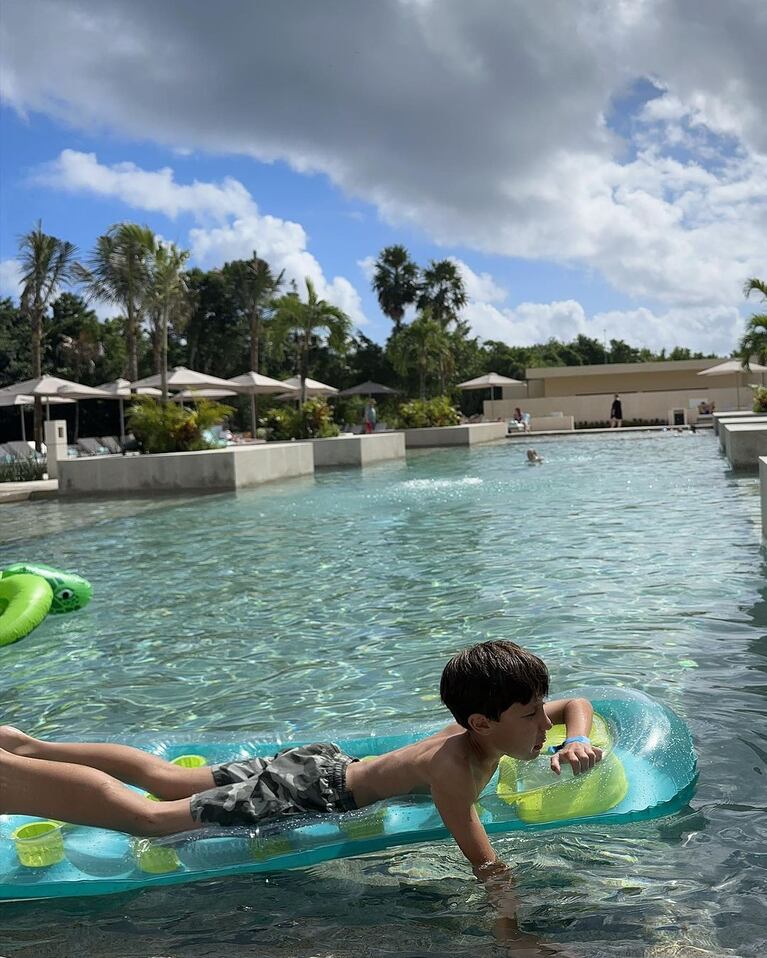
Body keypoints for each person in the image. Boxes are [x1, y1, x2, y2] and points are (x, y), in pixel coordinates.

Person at [0, 642, 601, 879]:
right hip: (309, 792)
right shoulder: (454, 767)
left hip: (321, 763)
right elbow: (483, 860)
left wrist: (574, 739)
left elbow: (579, 701)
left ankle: (28, 744)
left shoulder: (491, 727)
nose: (541, 721)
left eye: (539, 710)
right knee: (152, 817)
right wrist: (511, 929)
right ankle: (18, 778)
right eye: (531, 715)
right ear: (482, 723)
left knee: (166, 778)